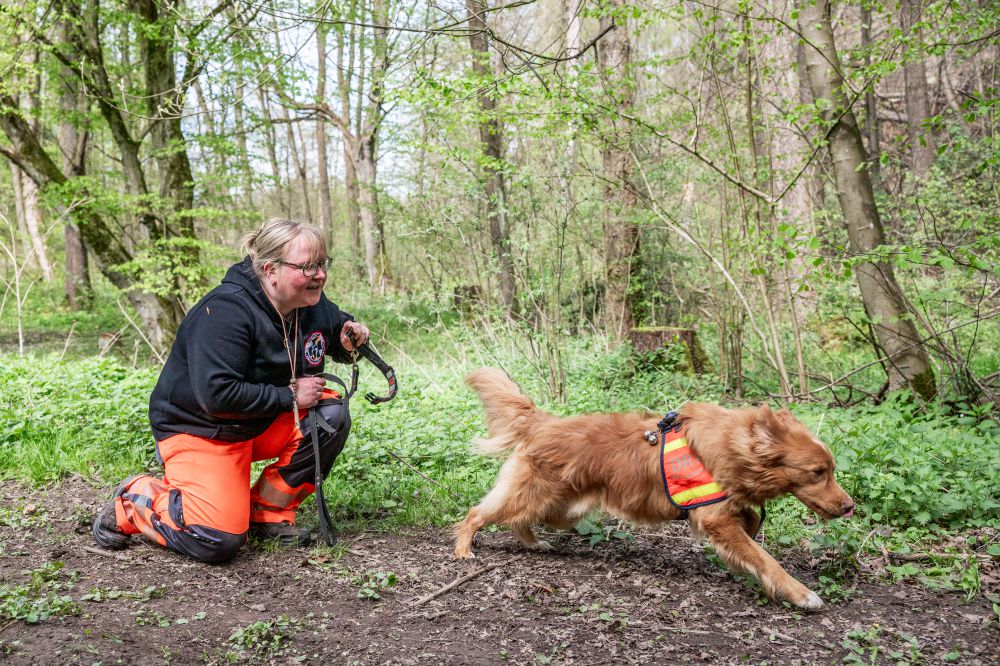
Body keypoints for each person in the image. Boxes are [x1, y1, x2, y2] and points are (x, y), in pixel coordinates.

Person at [92, 218, 370, 563]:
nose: (319, 275)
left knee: (331, 415)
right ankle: (136, 498)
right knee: (216, 540)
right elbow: (217, 395)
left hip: (260, 422)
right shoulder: (224, 312)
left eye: (322, 264)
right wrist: (290, 396)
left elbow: (330, 330)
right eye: (308, 266)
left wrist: (347, 337)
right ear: (271, 269)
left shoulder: (308, 301)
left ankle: (266, 513)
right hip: (204, 430)